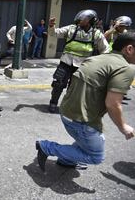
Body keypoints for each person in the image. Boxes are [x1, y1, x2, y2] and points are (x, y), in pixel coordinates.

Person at [35, 33, 135, 171]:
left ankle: (66, 159)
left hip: (66, 112)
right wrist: (123, 127)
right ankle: (46, 147)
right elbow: (113, 104)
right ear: (129, 49)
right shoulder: (125, 68)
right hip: (81, 121)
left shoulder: (96, 58)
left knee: (86, 142)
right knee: (96, 156)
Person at [47, 9, 110, 113]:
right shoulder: (71, 29)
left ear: (90, 21)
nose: (81, 20)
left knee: (75, 87)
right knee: (58, 83)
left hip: (83, 65)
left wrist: (102, 62)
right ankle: (53, 102)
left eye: (84, 19)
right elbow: (54, 33)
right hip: (66, 62)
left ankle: (68, 105)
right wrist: (51, 26)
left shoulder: (96, 34)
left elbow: (105, 49)